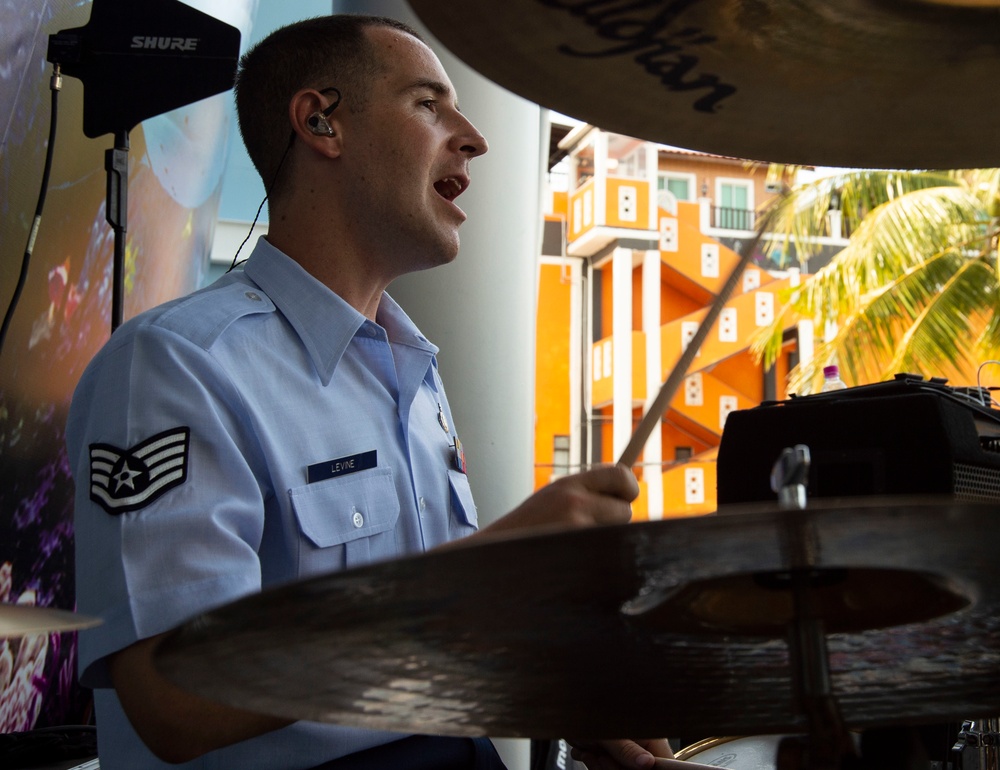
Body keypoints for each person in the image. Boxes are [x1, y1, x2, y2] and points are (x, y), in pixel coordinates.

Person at [66, 14, 673, 770]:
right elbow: (172, 698)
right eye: (428, 103)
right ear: (321, 122)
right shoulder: (173, 365)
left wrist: (564, 693)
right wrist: (480, 576)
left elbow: (427, 651)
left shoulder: (414, 375)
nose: (475, 137)